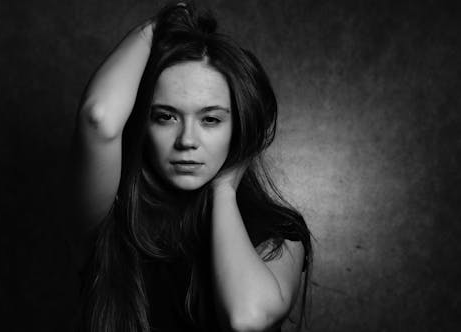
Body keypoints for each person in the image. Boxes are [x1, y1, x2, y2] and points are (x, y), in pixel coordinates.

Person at [70, 2, 312, 331]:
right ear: (143, 125)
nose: (187, 140)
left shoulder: (278, 231)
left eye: (210, 119)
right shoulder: (113, 214)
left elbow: (246, 318)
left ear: (238, 128)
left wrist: (224, 190)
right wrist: (163, 24)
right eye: (165, 117)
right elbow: (99, 118)